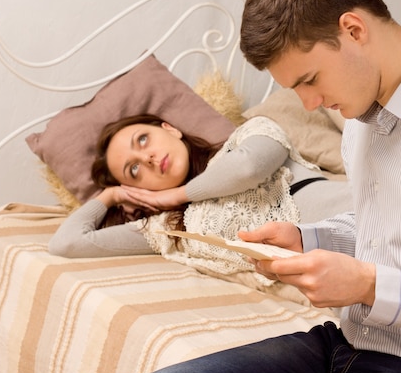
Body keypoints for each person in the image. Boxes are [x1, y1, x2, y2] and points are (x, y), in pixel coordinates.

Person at [125, 0, 401, 373]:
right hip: (348, 345)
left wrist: (369, 286)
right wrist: (306, 241)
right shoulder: (363, 117)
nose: (310, 103)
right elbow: (389, 234)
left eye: (309, 80)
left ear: (353, 29)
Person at [49, 113, 352, 285]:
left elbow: (249, 169)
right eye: (134, 169)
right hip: (338, 283)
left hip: (361, 219)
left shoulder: (249, 135)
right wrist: (111, 195)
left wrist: (176, 194)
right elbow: (67, 243)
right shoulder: (168, 228)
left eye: (143, 140)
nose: (148, 158)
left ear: (170, 129)